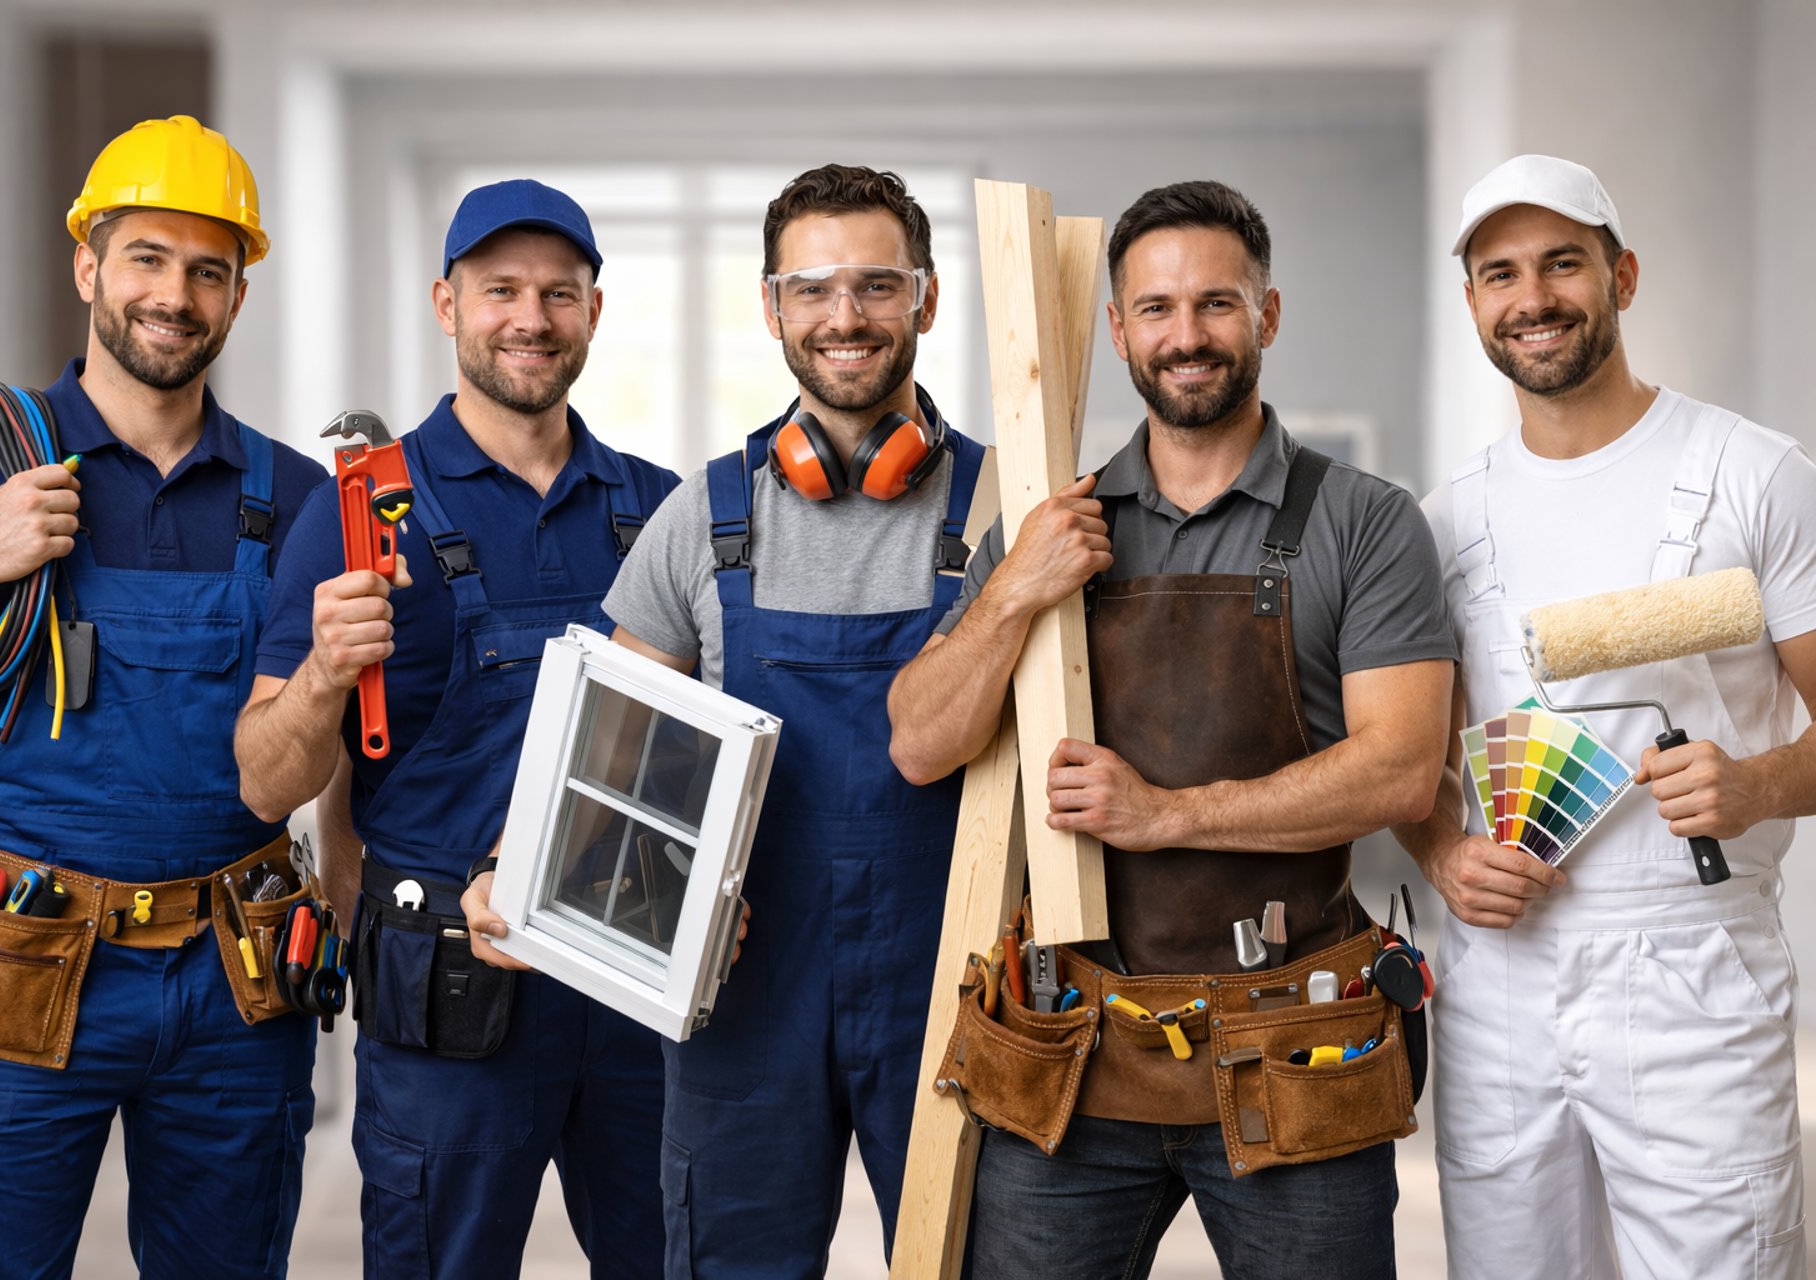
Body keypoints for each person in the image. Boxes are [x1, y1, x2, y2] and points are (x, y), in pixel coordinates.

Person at [887, 179, 1455, 1278]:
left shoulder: (1366, 521)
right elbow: (919, 740)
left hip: (1297, 1041)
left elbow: (1398, 769)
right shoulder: (1057, 517)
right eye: (1155, 308)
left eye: (1217, 304)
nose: (1186, 336)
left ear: (1268, 315)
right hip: (1076, 1046)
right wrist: (1014, 590)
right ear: (1116, 329)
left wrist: (1164, 812)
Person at [456, 163, 986, 1277]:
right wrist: (515, 866)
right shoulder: (707, 513)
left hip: (951, 988)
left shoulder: (1002, 511)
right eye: (812, 288)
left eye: (877, 285)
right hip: (745, 989)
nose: (845, 316)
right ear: (770, 306)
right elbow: (605, 733)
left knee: (968, 1258)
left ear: (927, 299)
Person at [0, 115, 327, 1277]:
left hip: (235, 976)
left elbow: (288, 764)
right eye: (146, 256)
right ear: (88, 265)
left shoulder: (297, 497)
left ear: (237, 297)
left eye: (208, 269)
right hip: (17, 951)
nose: (174, 294)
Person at [235, 179, 678, 1278]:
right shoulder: (354, 516)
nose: (531, 316)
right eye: (500, 290)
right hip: (448, 993)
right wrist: (327, 671)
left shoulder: (660, 510)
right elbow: (262, 779)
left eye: (558, 292)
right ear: (447, 302)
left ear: (593, 311)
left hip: (632, 982)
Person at [1394, 154, 1816, 1277]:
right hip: (1500, 972)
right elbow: (1412, 763)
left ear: (1622, 274)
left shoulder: (1755, 476)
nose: (1532, 298)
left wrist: (1760, 783)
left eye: (1563, 263)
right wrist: (1443, 852)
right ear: (1476, 301)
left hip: (1694, 969)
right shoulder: (1443, 523)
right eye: (1500, 274)